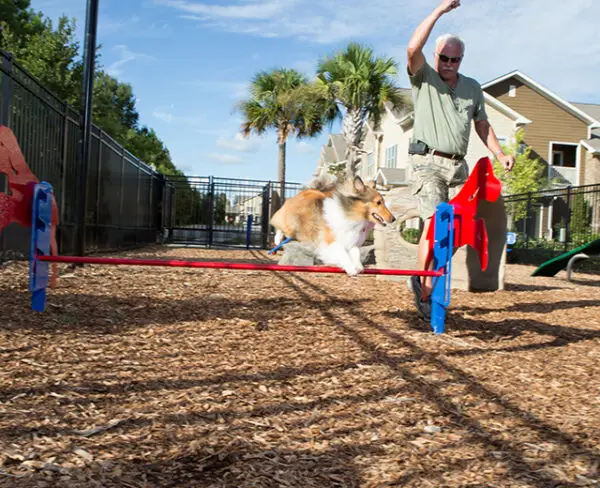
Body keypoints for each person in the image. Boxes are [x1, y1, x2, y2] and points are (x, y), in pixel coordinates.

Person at [406, 0, 515, 320]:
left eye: (455, 59)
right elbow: (413, 47)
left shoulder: (472, 88)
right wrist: (439, 11)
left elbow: (482, 124)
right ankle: (425, 289)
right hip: (427, 163)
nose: (449, 63)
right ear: (436, 56)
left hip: (458, 167)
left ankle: (423, 276)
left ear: (461, 59)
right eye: (444, 57)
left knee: (457, 228)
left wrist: (499, 153)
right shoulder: (423, 76)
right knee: (435, 221)